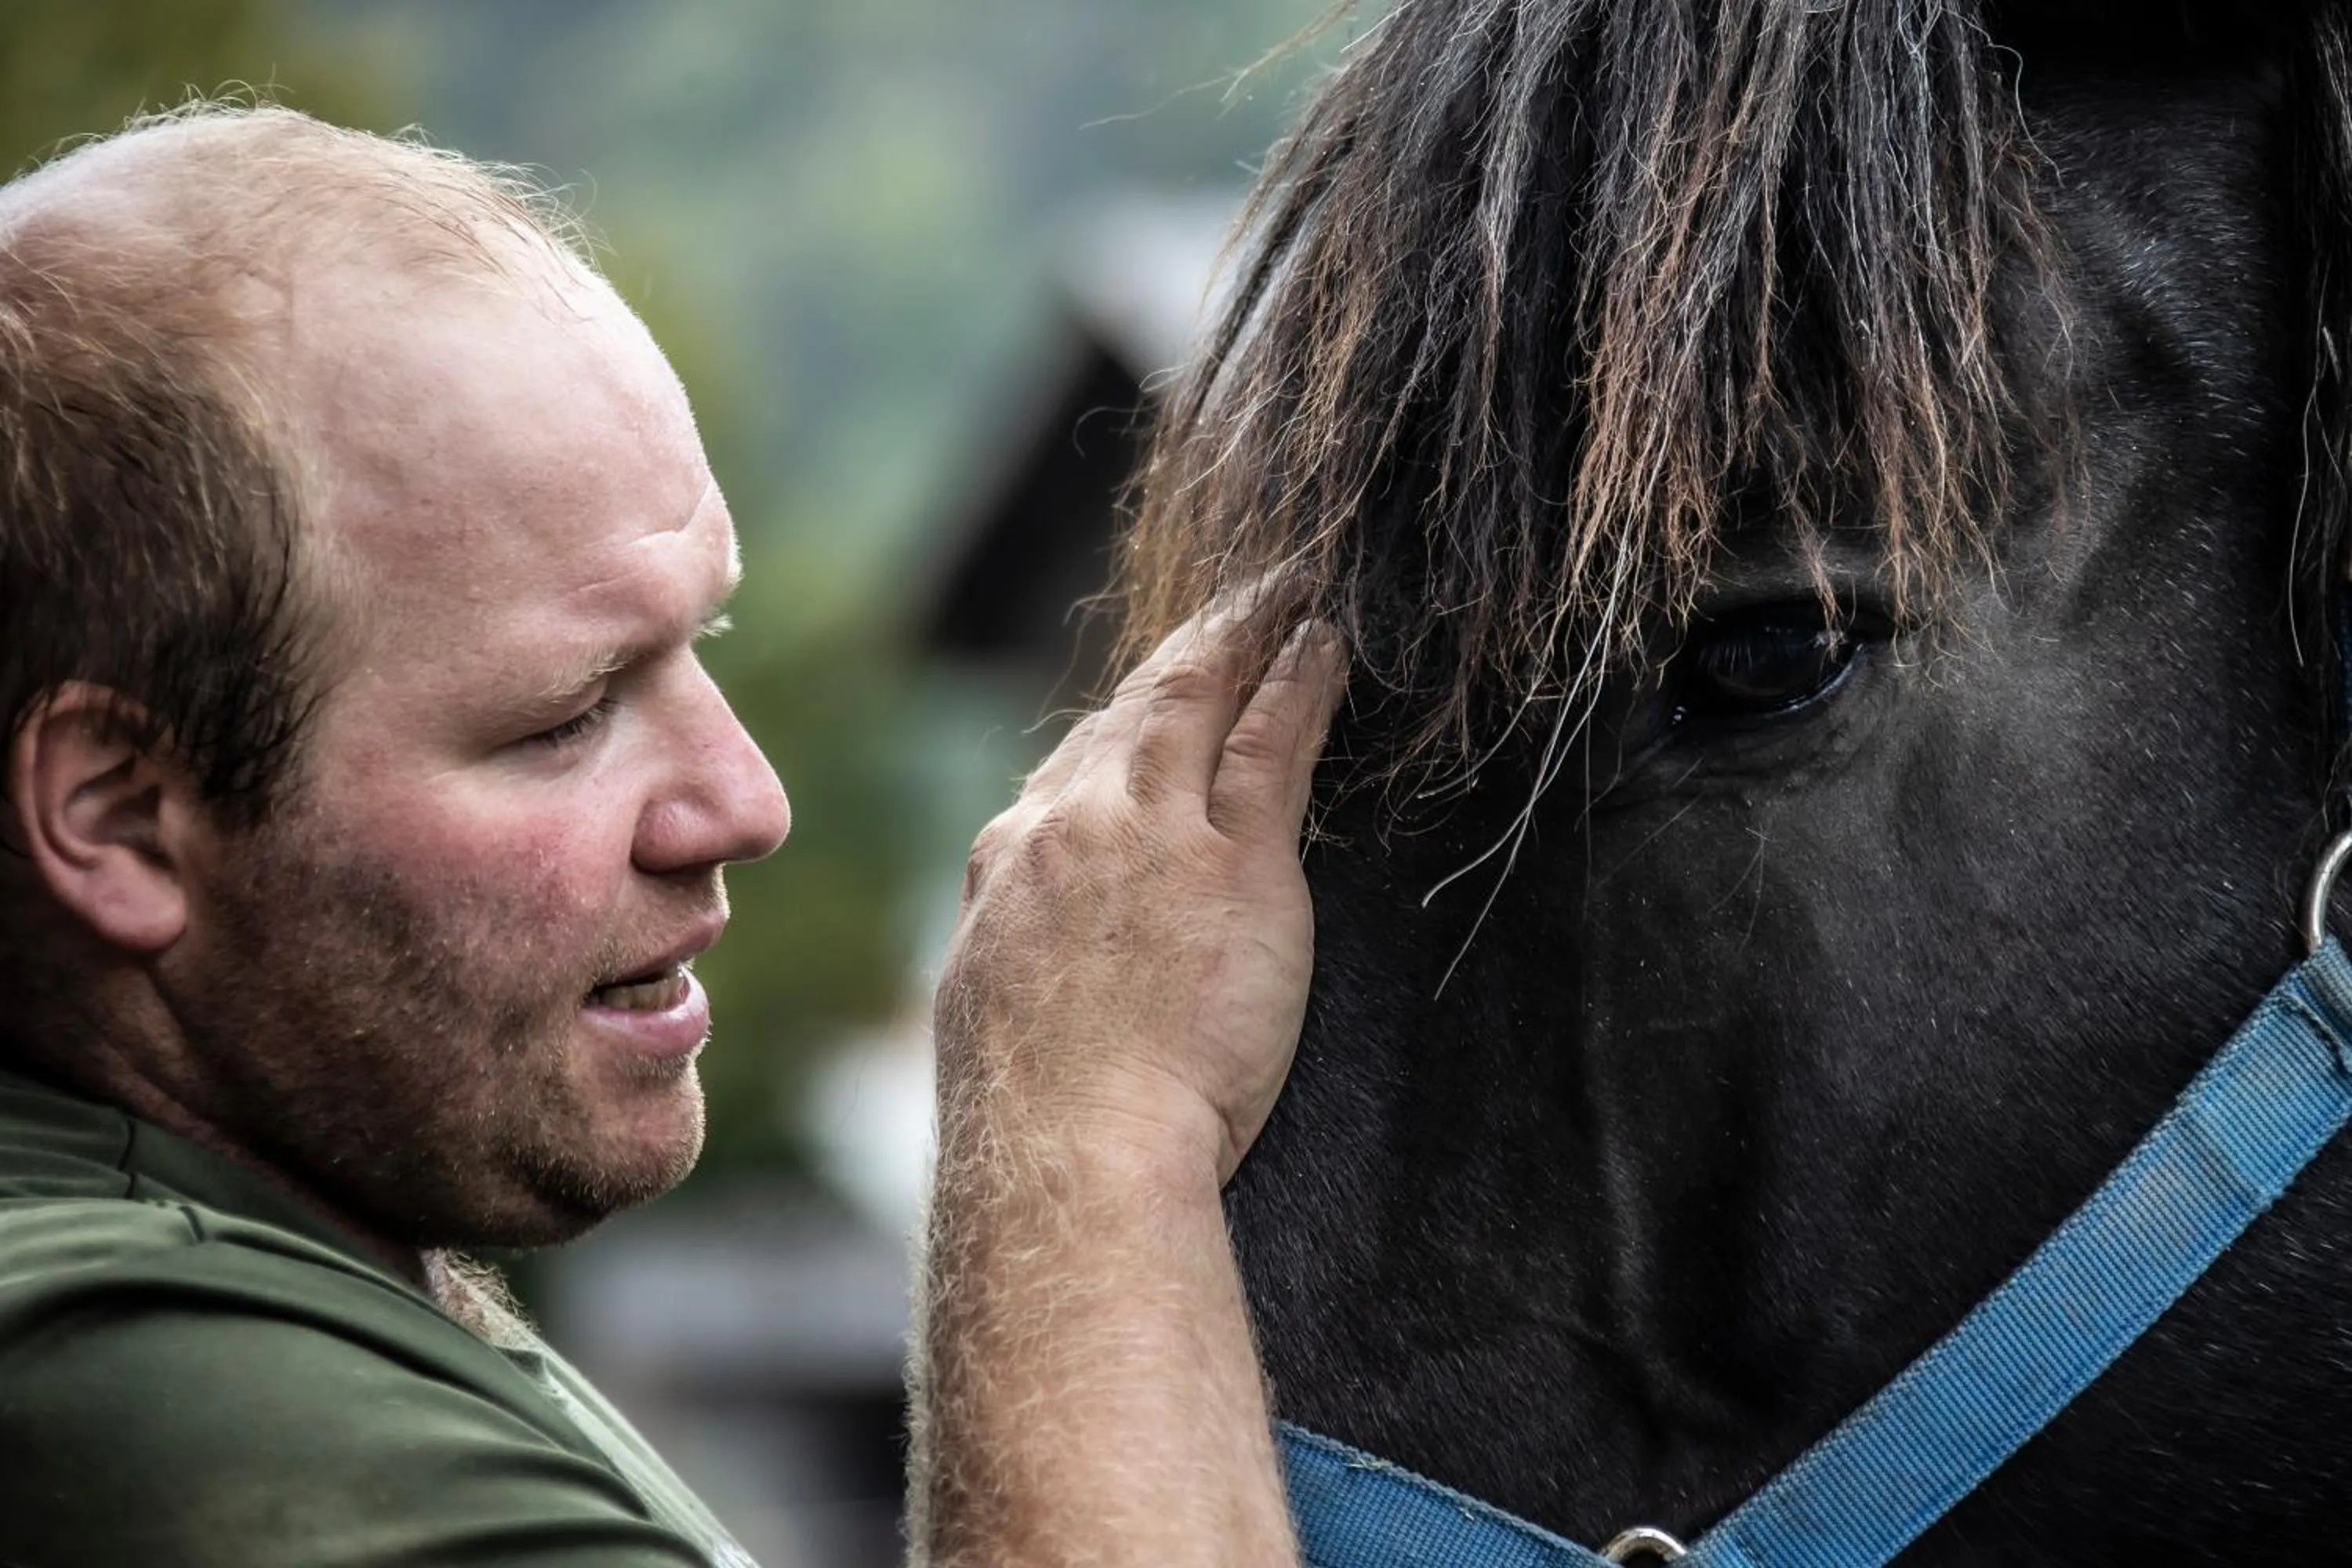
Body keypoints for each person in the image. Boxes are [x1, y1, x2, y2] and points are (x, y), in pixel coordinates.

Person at [0, 102, 1336, 1567]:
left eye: (702, 640)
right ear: (121, 819)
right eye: (565, 717)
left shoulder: (293, 1246)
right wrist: (1082, 1132)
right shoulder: (149, 1387)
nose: (745, 805)